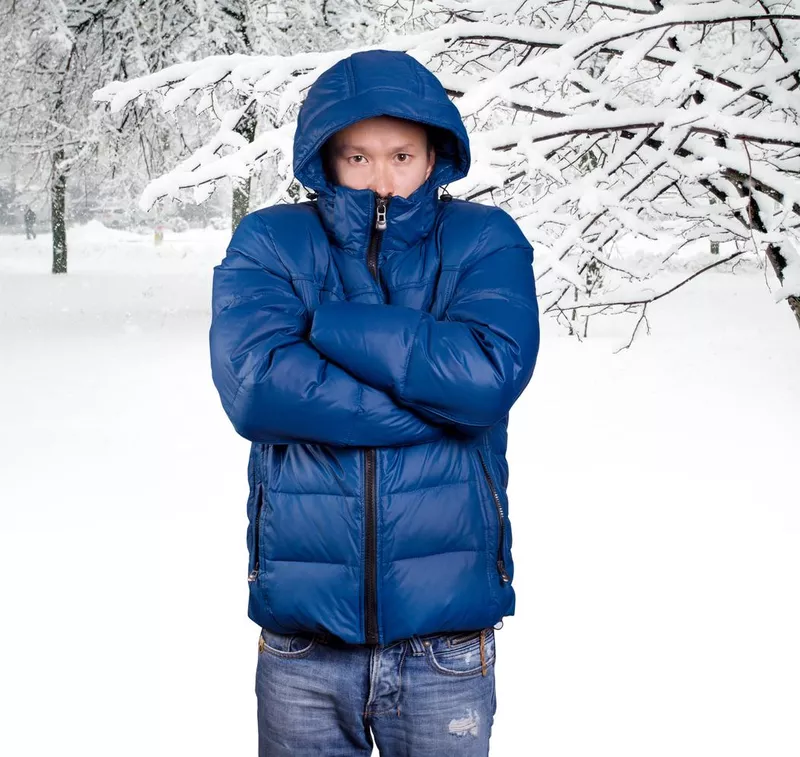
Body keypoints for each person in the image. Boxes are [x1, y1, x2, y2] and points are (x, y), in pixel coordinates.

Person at [210, 49, 540, 756]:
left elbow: (485, 379)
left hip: (445, 641)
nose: (381, 178)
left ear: (435, 155)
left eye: (401, 154)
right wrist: (432, 403)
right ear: (325, 158)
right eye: (357, 157)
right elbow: (257, 387)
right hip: (304, 645)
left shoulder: (484, 240)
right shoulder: (271, 240)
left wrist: (327, 327)